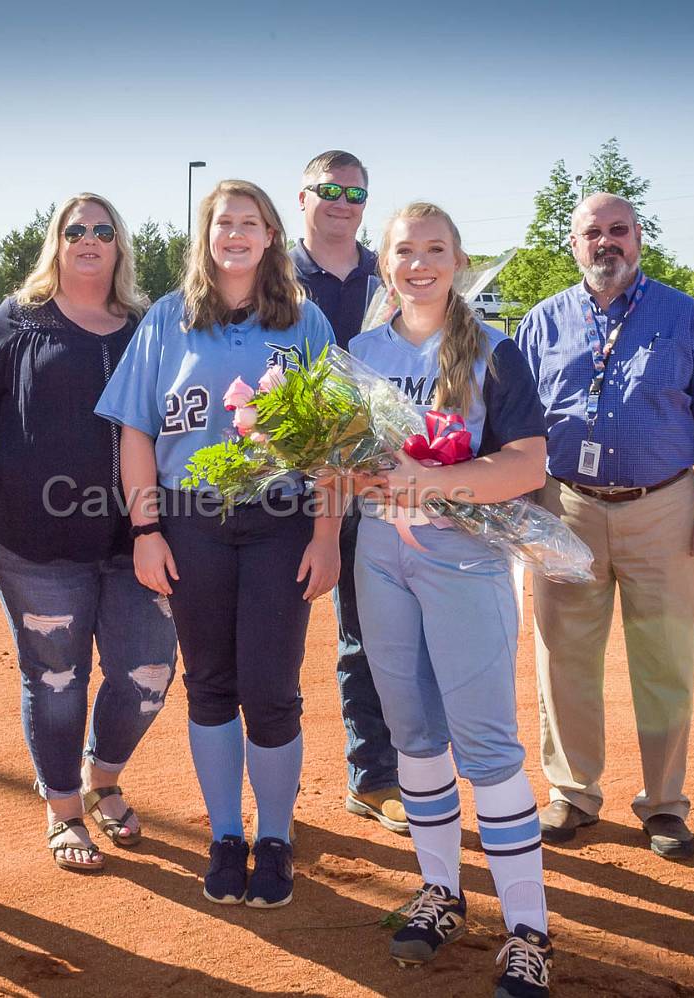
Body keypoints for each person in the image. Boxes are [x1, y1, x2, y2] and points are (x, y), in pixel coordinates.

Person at [96, 179, 340, 909]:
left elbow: (334, 439)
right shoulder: (169, 319)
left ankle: (275, 836)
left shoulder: (305, 321)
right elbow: (135, 431)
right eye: (221, 222)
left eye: (249, 222)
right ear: (205, 237)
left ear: (271, 236)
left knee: (271, 690)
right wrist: (144, 530)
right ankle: (226, 835)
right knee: (209, 684)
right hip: (190, 520)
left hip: (282, 520)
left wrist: (327, 534)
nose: (234, 233)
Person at [351, 203, 553, 998]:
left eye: (436, 249)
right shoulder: (356, 355)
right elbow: (342, 467)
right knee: (414, 737)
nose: (420, 263)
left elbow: (528, 466)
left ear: (458, 260)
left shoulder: (493, 352)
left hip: (465, 561)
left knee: (489, 746)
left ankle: (528, 933)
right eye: (405, 250)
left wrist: (432, 482)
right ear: (385, 265)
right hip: (379, 556)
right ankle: (441, 893)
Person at [0, 193, 177, 873]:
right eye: (76, 229)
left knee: (147, 674)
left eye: (104, 231)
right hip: (34, 540)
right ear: (58, 241)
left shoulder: (148, 327)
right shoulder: (17, 321)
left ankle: (104, 776)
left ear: (119, 247)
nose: (90, 239)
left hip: (136, 538)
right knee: (56, 677)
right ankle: (64, 806)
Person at [513, 192, 694, 860]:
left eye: (619, 231)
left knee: (663, 659)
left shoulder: (683, 316)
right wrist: (522, 510)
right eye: (593, 233)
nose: (606, 243)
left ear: (638, 239)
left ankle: (665, 804)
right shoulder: (542, 323)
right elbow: (517, 427)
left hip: (663, 507)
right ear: (573, 243)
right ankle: (573, 794)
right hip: (565, 506)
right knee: (564, 656)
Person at [288, 150, 404, 834]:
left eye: (356, 193)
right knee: (270, 642)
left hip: (368, 483)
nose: (343, 201)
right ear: (301, 197)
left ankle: (374, 777)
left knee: (370, 637)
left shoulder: (388, 276)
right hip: (279, 487)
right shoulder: (274, 278)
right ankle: (270, 787)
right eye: (328, 189)